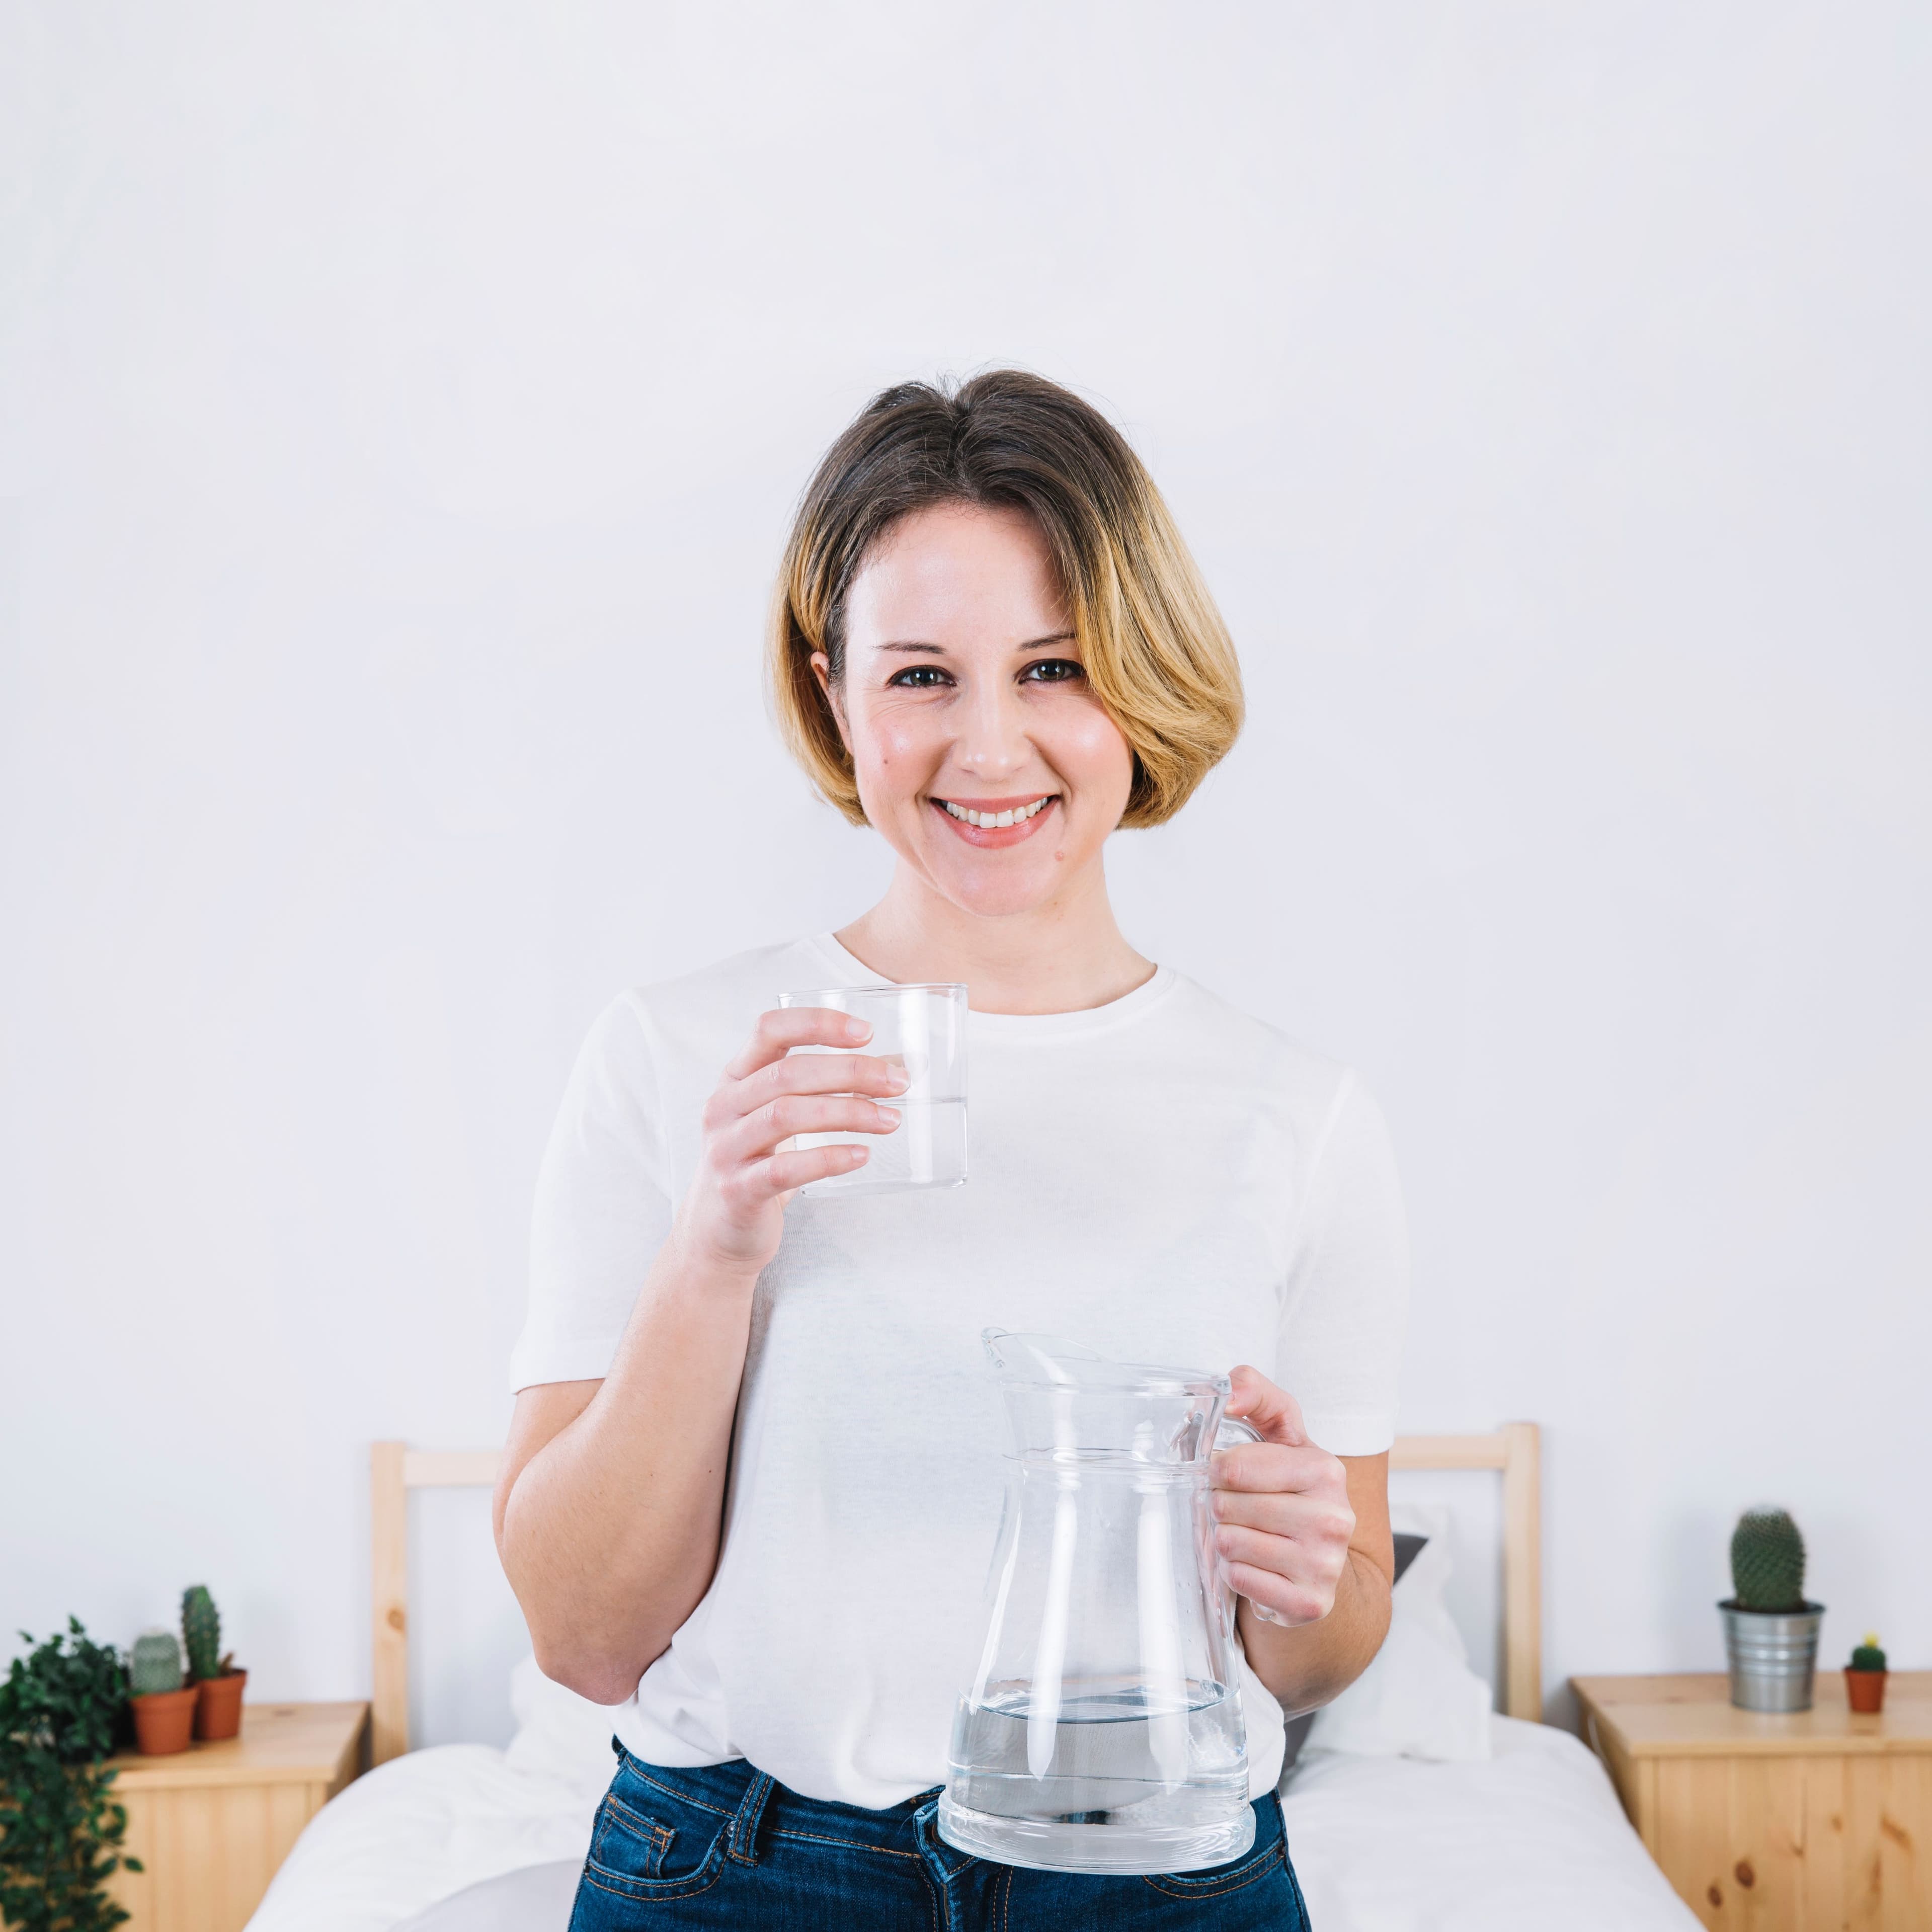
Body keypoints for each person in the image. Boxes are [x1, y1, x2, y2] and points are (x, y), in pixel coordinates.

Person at [495, 370, 1408, 1930]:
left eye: (1054, 667)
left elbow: (1325, 1647)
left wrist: (1303, 1573)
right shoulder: (678, 1056)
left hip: (1160, 1873)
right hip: (741, 1876)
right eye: (922, 675)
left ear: (1141, 679)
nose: (990, 749)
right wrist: (717, 1246)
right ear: (835, 693)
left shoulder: (1296, 1113)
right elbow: (585, 1641)